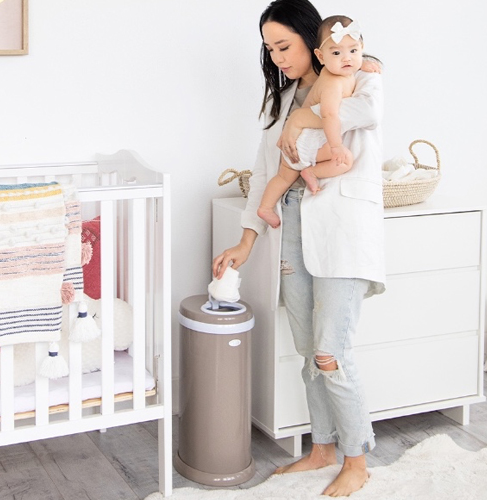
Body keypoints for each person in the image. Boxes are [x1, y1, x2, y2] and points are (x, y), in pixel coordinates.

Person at [212, 0, 385, 496]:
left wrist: (304, 119)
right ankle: (322, 450)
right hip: (291, 227)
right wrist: (246, 241)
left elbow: (367, 112)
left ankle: (356, 459)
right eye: (270, 49)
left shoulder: (360, 76)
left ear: (313, 39)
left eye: (284, 45)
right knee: (309, 350)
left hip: (344, 228)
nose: (278, 57)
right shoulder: (282, 98)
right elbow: (265, 173)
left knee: (333, 350)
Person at [257, 15, 364, 228]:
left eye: (353, 51)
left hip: (300, 141)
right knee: (345, 160)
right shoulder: (332, 83)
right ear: (321, 56)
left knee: (283, 177)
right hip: (308, 143)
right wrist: (336, 146)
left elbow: (369, 112)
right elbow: (330, 116)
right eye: (337, 53)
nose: (346, 59)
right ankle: (311, 172)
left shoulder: (338, 70)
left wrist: (365, 64)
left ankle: (265, 207)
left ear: (361, 48)